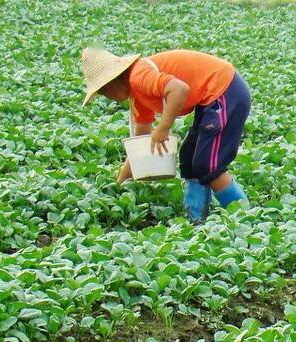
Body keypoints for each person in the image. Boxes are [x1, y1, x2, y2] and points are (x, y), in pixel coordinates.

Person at [80, 48, 251, 223]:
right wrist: (119, 184)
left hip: (225, 90)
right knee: (189, 159)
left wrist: (163, 127)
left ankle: (244, 218)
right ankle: (196, 218)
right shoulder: (138, 96)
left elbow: (179, 89)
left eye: (103, 92)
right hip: (211, 99)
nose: (107, 96)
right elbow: (141, 143)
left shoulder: (138, 76)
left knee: (208, 165)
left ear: (111, 83)